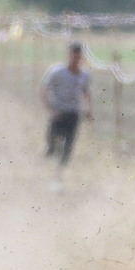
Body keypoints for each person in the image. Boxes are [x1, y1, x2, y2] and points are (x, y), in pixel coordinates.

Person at [41, 42, 93, 189]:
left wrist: (88, 110)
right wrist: (49, 109)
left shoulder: (84, 75)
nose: (75, 59)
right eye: (73, 55)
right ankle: (47, 158)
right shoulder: (56, 72)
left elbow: (85, 92)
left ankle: (56, 177)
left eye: (78, 56)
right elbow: (44, 89)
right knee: (52, 145)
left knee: (67, 147)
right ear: (68, 55)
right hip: (57, 113)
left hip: (73, 114)